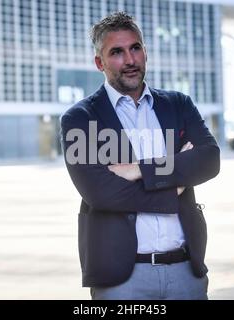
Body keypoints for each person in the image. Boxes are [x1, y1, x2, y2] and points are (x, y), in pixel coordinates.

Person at [60, 12, 220, 300]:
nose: (130, 60)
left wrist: (138, 170)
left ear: (145, 52)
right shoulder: (79, 119)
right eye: (117, 52)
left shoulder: (178, 104)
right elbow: (101, 194)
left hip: (186, 270)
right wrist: (176, 184)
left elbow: (209, 160)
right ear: (100, 62)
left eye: (135, 48)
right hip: (122, 280)